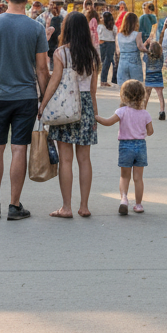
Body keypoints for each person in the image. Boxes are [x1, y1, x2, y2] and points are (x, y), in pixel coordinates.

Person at [0, 0, 50, 222]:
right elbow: (42, 68)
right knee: (20, 148)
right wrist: (44, 98)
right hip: (26, 96)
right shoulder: (36, 28)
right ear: (27, 0)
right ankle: (14, 205)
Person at [41, 11, 99, 219]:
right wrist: (94, 115)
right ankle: (84, 206)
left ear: (66, 29)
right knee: (84, 159)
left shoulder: (61, 53)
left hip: (65, 106)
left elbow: (54, 82)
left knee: (66, 160)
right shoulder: (92, 54)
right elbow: (92, 90)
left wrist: (43, 105)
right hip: (84, 106)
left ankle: (66, 207)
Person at [95, 79, 154, 214]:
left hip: (125, 146)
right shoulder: (145, 113)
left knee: (124, 176)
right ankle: (138, 205)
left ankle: (124, 199)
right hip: (140, 146)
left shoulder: (121, 111)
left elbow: (108, 122)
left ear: (124, 95)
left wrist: (97, 117)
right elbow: (150, 132)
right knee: (138, 178)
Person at [116, 11, 147, 85]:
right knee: (136, 85)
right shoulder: (137, 34)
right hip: (134, 60)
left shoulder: (119, 35)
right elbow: (140, 47)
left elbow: (118, 51)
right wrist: (148, 51)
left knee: (124, 86)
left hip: (122, 60)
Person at [143, 39, 166, 120]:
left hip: (149, 77)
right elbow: (162, 63)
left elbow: (144, 59)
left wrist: (145, 44)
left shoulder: (147, 56)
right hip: (158, 76)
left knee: (147, 95)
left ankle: (143, 111)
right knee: (160, 95)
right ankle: (162, 111)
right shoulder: (161, 55)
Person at [98, 11, 117, 86]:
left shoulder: (101, 27)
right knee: (106, 62)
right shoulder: (113, 27)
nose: (101, 18)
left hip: (105, 43)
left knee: (105, 62)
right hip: (109, 43)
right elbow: (115, 35)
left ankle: (103, 80)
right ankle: (103, 80)